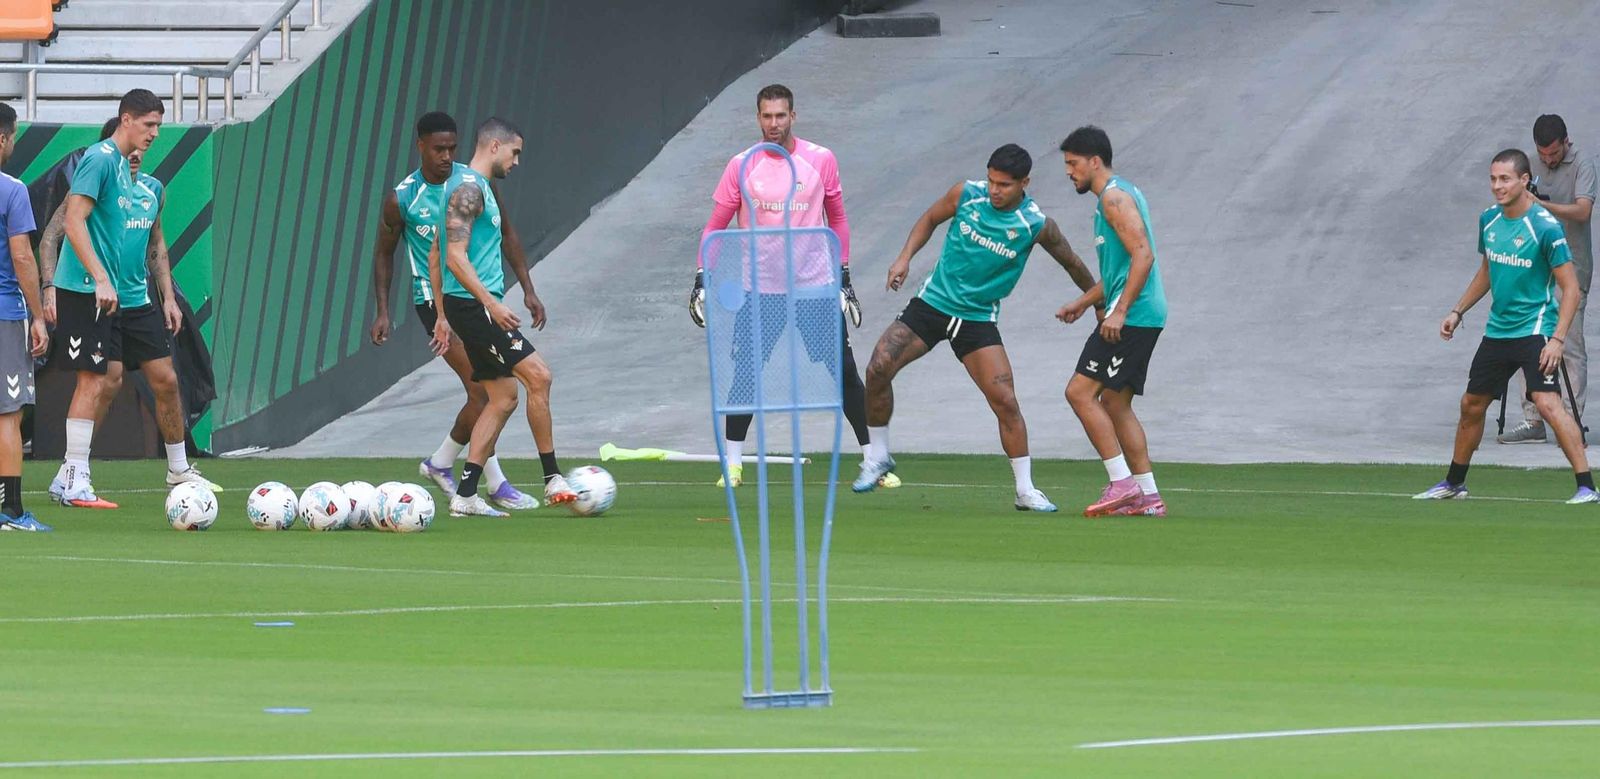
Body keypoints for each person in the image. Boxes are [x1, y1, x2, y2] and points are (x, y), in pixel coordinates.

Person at [854, 143, 1098, 511]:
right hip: (932, 304)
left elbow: (1072, 263)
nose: (995, 190)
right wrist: (904, 258)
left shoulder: (1035, 224)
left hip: (977, 319)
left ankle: (1025, 490)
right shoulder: (966, 194)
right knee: (877, 368)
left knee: (1005, 401)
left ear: (1024, 183)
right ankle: (878, 457)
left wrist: (1096, 301)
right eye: (991, 181)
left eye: (1004, 185)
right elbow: (930, 219)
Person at [689, 83, 896, 489]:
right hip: (760, 289)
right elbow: (716, 227)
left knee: (844, 374)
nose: (773, 124)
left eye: (780, 115)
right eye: (766, 116)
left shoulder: (821, 160)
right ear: (758, 118)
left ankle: (873, 460)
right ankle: (732, 465)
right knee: (745, 374)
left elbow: (837, 219)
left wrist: (844, 276)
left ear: (793, 116)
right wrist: (702, 277)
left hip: (814, 287)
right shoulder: (741, 165)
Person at [47, 89, 217, 508]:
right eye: (149, 124)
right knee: (97, 380)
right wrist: (100, 278)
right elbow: (71, 222)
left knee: (166, 378)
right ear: (126, 119)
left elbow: (152, 244)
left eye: (159, 125)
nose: (156, 134)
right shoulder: (101, 159)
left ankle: (178, 467)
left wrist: (166, 297)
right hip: (89, 291)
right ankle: (73, 479)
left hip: (129, 297)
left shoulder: (133, 176)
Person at [369, 111, 541, 509]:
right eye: (438, 149)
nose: (447, 156)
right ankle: (487, 482)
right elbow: (384, 253)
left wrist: (528, 288)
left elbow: (507, 233)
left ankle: (444, 463)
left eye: (451, 148)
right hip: (436, 304)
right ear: (421, 147)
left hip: (472, 302)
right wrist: (382, 310)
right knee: (486, 391)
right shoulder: (402, 199)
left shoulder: (473, 183)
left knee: (488, 392)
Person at [1416, 148, 1596, 503]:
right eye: (1493, 179)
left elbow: (1571, 288)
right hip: (1499, 331)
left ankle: (1587, 487)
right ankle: (1454, 483)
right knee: (1471, 404)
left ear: (1525, 180)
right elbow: (1488, 270)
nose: (1497, 186)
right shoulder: (1489, 220)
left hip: (1535, 329)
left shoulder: (1545, 227)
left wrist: (1557, 340)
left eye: (1505, 179)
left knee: (1547, 403)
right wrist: (1458, 311)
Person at [429, 117, 575, 517]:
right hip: (477, 307)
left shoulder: (474, 190)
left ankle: (466, 495)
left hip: (465, 306)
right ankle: (552, 479)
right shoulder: (469, 191)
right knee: (539, 376)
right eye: (515, 153)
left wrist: (441, 315)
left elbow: (436, 252)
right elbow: (454, 258)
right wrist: (490, 305)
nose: (516, 162)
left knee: (503, 397)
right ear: (495, 147)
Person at [1056, 126, 1169, 517]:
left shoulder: (1114, 199)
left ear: (1094, 161)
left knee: (1079, 392)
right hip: (1142, 313)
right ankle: (1149, 497)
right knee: (1115, 403)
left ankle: (1122, 484)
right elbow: (1121, 270)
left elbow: (1144, 256)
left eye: (1072, 164)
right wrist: (1084, 301)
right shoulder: (1117, 195)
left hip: (1133, 316)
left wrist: (1118, 311)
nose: (1069, 172)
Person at [1498, 114, 1597, 444]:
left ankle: (1570, 419)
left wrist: (1542, 205)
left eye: (1553, 154)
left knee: (1568, 344)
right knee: (1528, 341)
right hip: (1534, 266)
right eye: (1543, 155)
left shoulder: (1583, 164)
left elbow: (1583, 212)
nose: (1548, 160)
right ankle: (1533, 419)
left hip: (1572, 266)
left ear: (1565, 143)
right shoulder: (1530, 166)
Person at [0, 101, 51, 531]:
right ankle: (10, 511)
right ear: (2, 138)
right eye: (13, 136)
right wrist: (38, 316)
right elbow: (22, 256)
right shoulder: (11, 189)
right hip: (4, 315)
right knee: (7, 415)